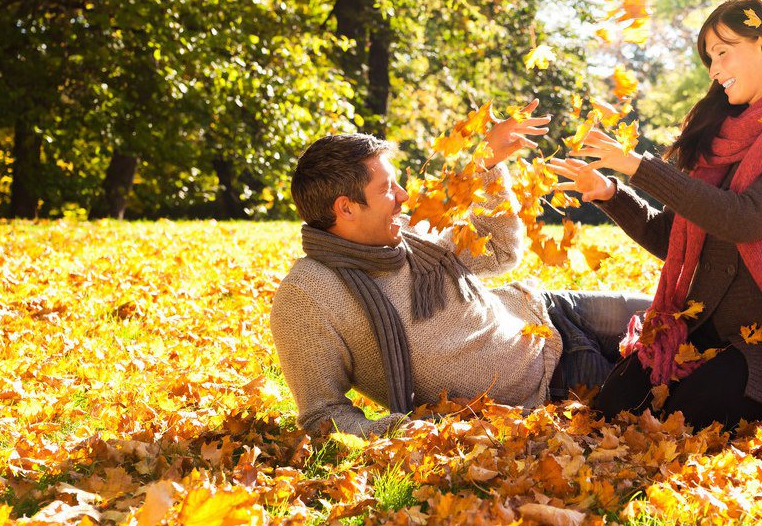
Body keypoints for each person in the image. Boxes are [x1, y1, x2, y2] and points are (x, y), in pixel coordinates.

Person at [549, 0, 762, 430]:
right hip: (702, 331)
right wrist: (610, 194)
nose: (714, 70)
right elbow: (669, 236)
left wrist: (641, 167)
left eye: (722, 53)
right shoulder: (720, 140)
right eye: (709, 59)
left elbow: (746, 218)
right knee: (611, 411)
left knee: (685, 416)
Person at [270, 101, 650, 436]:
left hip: (552, 313)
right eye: (388, 189)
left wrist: (488, 166)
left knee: (686, 316)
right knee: (685, 392)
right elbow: (322, 413)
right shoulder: (308, 296)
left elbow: (499, 248)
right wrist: (399, 430)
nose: (403, 197)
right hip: (552, 382)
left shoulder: (410, 237)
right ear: (346, 208)